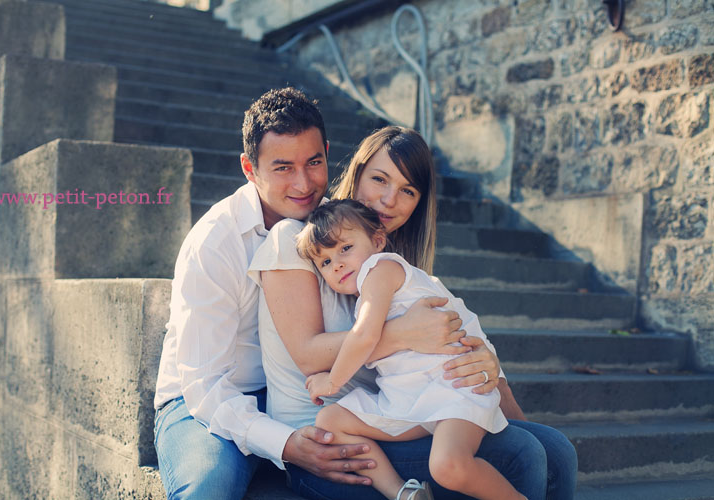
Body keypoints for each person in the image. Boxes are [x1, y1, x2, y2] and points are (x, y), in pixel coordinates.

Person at [152, 88, 476, 500]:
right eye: (283, 168)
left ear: (327, 153)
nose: (303, 183)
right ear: (250, 169)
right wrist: (286, 443)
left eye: (313, 163)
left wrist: (478, 361)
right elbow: (204, 386)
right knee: (209, 490)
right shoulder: (215, 242)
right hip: (209, 398)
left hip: (298, 392)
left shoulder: (340, 231)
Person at [249, 126, 578, 500]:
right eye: (379, 179)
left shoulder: (389, 265)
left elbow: (460, 330)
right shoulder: (302, 242)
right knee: (522, 453)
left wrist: (487, 368)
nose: (390, 200)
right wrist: (406, 333)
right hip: (324, 437)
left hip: (400, 406)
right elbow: (310, 356)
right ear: (356, 173)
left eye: (408, 191)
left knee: (555, 448)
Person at [296, 199, 524, 500]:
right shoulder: (367, 289)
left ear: (378, 241)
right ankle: (404, 493)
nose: (336, 264)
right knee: (330, 421)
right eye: (324, 262)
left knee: (447, 465)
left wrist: (331, 381)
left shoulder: (381, 270)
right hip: (409, 400)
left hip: (451, 388)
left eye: (345, 248)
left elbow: (363, 338)